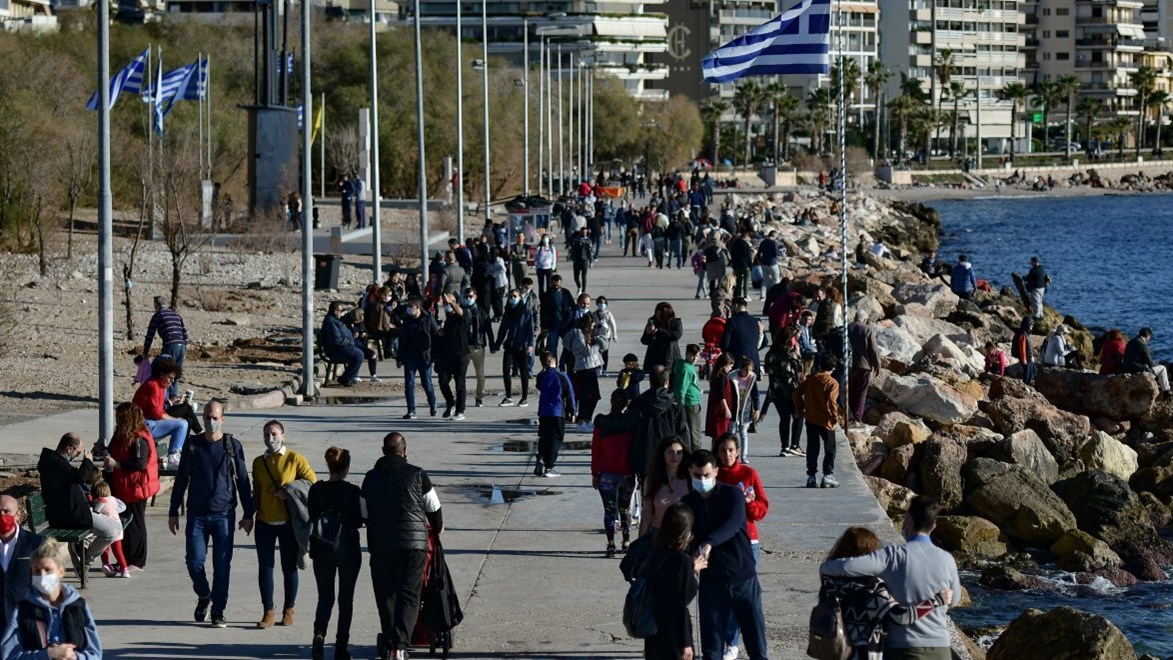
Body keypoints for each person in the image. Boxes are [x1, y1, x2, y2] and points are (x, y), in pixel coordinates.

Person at [819, 497, 962, 660]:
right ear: (933, 526)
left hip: (904, 649)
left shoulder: (893, 556)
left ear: (909, 520)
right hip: (941, 647)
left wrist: (825, 568)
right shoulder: (947, 559)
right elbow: (954, 601)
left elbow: (848, 567)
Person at [169, 400, 254, 629]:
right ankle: (204, 594)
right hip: (197, 515)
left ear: (222, 419)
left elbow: (243, 481)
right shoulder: (192, 445)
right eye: (207, 417)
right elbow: (181, 479)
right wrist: (173, 511)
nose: (210, 421)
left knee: (222, 566)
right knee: (194, 562)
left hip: (224, 515)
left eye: (215, 417)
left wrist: (248, 514)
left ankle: (218, 611)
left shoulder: (231, 446)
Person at [362, 432, 443, 660]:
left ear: (383, 451)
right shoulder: (418, 474)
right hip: (414, 546)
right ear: (405, 451)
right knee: (409, 595)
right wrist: (436, 528)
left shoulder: (370, 478)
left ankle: (390, 643)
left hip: (381, 545)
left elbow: (364, 513)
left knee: (386, 596)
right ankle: (400, 646)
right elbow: (434, 508)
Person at [682, 450, 767, 660]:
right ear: (690, 472)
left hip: (742, 577)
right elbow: (682, 536)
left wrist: (709, 543)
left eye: (706, 475)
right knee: (712, 646)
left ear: (716, 472)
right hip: (712, 581)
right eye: (697, 475)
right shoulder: (687, 503)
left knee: (755, 642)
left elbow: (733, 524)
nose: (702, 480)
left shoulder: (732, 494)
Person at [252, 420, 318, 630]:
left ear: (283, 435)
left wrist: (289, 490)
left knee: (289, 567)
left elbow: (312, 483)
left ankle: (289, 609)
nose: (270, 438)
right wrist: (247, 516)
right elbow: (256, 492)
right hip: (264, 521)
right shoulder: (258, 462)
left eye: (274, 433)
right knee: (265, 567)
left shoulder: (294, 458)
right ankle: (268, 611)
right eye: (266, 434)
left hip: (288, 522)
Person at [714, 433, 769, 660]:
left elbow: (762, 508)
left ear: (737, 451)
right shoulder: (713, 475)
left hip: (747, 541)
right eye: (723, 450)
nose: (727, 454)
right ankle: (724, 641)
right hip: (719, 542)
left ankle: (734, 642)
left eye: (730, 450)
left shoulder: (748, 474)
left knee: (744, 594)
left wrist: (749, 504)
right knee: (720, 595)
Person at [0, 539, 102, 660]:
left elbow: (95, 653)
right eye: (37, 571)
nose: (42, 576)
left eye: (47, 570)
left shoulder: (78, 606)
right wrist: (48, 654)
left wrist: (75, 657)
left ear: (61, 572)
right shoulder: (23, 609)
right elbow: (10, 656)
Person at [309, 447, 363, 660]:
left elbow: (312, 514)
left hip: (322, 548)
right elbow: (359, 520)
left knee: (325, 597)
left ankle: (319, 634)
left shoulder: (316, 489)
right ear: (346, 468)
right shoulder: (353, 491)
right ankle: (341, 646)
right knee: (345, 600)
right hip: (348, 549)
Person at [36, 434, 118, 572]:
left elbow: (74, 477)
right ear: (69, 448)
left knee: (116, 527)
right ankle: (86, 558)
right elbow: (80, 477)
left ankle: (83, 555)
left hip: (71, 511)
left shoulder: (53, 461)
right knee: (112, 532)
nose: (76, 456)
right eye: (78, 453)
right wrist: (88, 461)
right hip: (70, 516)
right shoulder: (56, 464)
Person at [99, 402, 159, 571]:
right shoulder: (121, 433)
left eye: (120, 417)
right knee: (124, 524)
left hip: (136, 486)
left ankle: (137, 561)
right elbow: (114, 451)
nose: (117, 420)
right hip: (123, 485)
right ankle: (124, 559)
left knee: (135, 523)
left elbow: (139, 463)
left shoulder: (140, 438)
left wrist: (116, 464)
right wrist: (103, 450)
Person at [642, 503, 704, 660]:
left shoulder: (656, 553)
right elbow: (679, 604)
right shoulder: (682, 561)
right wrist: (686, 642)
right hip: (674, 632)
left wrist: (691, 569)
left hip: (653, 626)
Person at [629, 367, 691, 503]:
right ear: (666, 381)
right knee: (670, 497)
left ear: (650, 381)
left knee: (647, 497)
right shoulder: (675, 403)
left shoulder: (638, 402)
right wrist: (686, 458)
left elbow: (630, 431)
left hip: (645, 457)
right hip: (670, 457)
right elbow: (683, 432)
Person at [591, 389, 635, 557]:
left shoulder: (601, 423)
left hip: (606, 474)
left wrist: (594, 473)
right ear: (626, 403)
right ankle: (626, 541)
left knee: (609, 510)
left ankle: (610, 544)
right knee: (625, 508)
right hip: (626, 473)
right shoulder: (631, 424)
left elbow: (596, 450)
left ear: (611, 402)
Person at [131, 356, 189, 467]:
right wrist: (174, 419)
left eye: (174, 378)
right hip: (143, 424)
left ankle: (177, 452)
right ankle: (173, 454)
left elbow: (160, 410)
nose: (172, 381)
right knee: (182, 424)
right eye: (170, 377)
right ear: (161, 374)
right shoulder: (153, 386)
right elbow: (157, 414)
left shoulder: (160, 386)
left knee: (184, 421)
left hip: (148, 421)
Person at [794, 355, 840, 489]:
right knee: (830, 448)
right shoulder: (832, 383)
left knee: (812, 448)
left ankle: (811, 477)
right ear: (833, 368)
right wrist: (834, 417)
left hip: (811, 419)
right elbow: (831, 402)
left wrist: (800, 409)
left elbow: (796, 394)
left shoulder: (810, 380)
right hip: (826, 421)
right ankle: (828, 475)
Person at [0, 495, 42, 632]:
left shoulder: (36, 544)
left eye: (7, 511)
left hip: (26, 622)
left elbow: (47, 587)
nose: (2, 515)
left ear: (17, 515)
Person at [639, 437, 692, 537]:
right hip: (658, 534)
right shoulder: (652, 480)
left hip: (683, 535)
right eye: (670, 452)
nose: (675, 457)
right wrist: (640, 540)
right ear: (663, 454)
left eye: (679, 453)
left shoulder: (690, 479)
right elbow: (647, 512)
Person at [764, 326, 804, 457]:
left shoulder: (771, 353)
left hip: (776, 391)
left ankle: (784, 447)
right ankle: (795, 445)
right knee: (798, 415)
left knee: (784, 418)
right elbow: (800, 370)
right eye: (795, 338)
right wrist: (798, 353)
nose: (796, 340)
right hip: (791, 391)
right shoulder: (791, 353)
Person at [397, 298, 440, 419]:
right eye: (408, 306)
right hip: (409, 356)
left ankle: (433, 403)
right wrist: (399, 358)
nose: (409, 309)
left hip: (425, 357)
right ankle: (411, 410)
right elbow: (402, 339)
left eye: (411, 306)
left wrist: (436, 355)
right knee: (409, 384)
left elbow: (436, 336)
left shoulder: (428, 319)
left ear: (418, 307)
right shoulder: (407, 320)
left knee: (426, 383)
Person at [536, 352, 576, 477]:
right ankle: (549, 467)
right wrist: (572, 411)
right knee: (556, 439)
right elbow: (570, 394)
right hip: (557, 412)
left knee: (544, 437)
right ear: (555, 360)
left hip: (544, 412)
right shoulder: (561, 376)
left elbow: (539, 386)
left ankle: (541, 457)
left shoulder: (541, 376)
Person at [565, 315, 607, 431]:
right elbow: (587, 351)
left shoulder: (590, 335)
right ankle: (581, 421)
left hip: (592, 367)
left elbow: (604, 347)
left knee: (595, 396)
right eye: (591, 326)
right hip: (583, 369)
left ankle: (587, 419)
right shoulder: (578, 335)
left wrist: (601, 335)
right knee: (585, 396)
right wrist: (597, 345)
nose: (593, 328)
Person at [143, 295, 190, 400]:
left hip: (170, 345)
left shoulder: (157, 316)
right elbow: (185, 334)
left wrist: (145, 352)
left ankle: (165, 398)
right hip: (182, 346)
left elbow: (150, 335)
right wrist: (184, 349)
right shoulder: (176, 315)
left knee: (165, 371)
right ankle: (173, 396)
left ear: (155, 305)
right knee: (175, 372)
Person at [495, 289, 536, 406]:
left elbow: (530, 329)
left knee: (523, 372)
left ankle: (524, 397)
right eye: (510, 297)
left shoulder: (526, 311)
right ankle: (508, 397)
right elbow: (503, 330)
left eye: (514, 296)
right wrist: (497, 345)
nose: (512, 298)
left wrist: (530, 345)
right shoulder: (508, 311)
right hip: (510, 345)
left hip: (522, 346)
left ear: (519, 297)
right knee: (506, 370)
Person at [435, 293, 470, 421]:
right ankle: (451, 403)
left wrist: (451, 302)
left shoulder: (463, 314)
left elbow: (460, 312)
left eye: (450, 302)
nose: (447, 305)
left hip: (461, 356)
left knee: (460, 384)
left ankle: (460, 411)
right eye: (445, 303)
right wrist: (441, 333)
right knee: (443, 381)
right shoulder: (448, 319)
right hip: (447, 356)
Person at [321, 301, 365, 387]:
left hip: (342, 347)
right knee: (358, 355)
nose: (342, 313)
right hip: (335, 350)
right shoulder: (331, 322)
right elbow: (336, 340)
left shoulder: (335, 320)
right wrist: (348, 340)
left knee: (359, 352)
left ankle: (348, 378)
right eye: (341, 311)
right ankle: (345, 379)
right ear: (335, 311)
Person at [847, 312, 881, 424]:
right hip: (864, 366)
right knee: (861, 392)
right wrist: (877, 366)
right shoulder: (867, 329)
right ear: (865, 319)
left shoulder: (847, 327)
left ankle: (850, 414)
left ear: (855, 318)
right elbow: (874, 350)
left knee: (851, 391)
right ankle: (857, 419)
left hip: (849, 365)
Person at [89, 481, 128, 578]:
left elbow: (96, 513)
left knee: (104, 548)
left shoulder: (98, 502)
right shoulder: (113, 500)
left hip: (107, 530)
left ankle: (106, 564)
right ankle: (124, 569)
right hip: (118, 528)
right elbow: (123, 507)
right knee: (118, 551)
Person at [672, 344, 704, 452]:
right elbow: (682, 388)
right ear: (686, 354)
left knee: (692, 432)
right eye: (692, 355)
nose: (695, 358)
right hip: (691, 404)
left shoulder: (684, 365)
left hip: (691, 402)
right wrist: (680, 404)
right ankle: (697, 456)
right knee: (695, 435)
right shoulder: (687, 368)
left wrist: (698, 390)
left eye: (697, 356)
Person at [1124, 327, 1172, 397]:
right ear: (1148, 336)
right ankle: (1166, 391)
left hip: (1126, 368)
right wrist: (1156, 364)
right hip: (1137, 370)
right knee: (1162, 368)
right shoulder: (1143, 344)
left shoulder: (1130, 342)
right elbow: (1151, 364)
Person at [640, 302, 684, 372]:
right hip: (655, 358)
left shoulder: (675, 322)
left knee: (671, 376)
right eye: (657, 313)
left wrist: (659, 330)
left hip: (671, 356)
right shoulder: (653, 322)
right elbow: (644, 341)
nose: (658, 316)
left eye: (660, 314)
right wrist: (648, 333)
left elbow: (676, 335)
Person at [729, 357, 759, 459]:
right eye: (746, 370)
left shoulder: (752, 378)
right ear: (741, 368)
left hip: (746, 410)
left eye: (750, 370)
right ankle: (733, 454)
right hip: (734, 409)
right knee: (732, 432)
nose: (748, 373)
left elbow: (755, 394)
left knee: (743, 433)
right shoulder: (732, 377)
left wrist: (757, 409)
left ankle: (744, 455)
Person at [540, 274, 575, 358]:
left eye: (558, 285)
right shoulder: (546, 295)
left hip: (565, 325)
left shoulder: (566, 293)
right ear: (551, 283)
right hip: (552, 326)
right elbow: (543, 312)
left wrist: (570, 318)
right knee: (552, 348)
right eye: (555, 285)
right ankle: (554, 363)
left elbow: (573, 306)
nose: (556, 287)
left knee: (569, 346)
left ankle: (565, 363)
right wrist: (543, 326)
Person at [705, 353, 736, 445]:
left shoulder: (717, 375)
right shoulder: (721, 377)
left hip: (716, 410)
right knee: (719, 435)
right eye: (730, 366)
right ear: (725, 365)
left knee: (717, 436)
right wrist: (726, 409)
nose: (731, 368)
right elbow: (721, 395)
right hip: (720, 411)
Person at [593, 296, 618, 373]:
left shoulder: (608, 314)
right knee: (596, 352)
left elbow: (613, 324)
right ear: (597, 303)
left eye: (604, 303)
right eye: (600, 302)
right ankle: (597, 368)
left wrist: (614, 335)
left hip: (606, 336)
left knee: (605, 353)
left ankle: (604, 369)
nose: (602, 304)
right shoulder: (594, 314)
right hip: (597, 336)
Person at [1011, 316, 1037, 386]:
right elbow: (1022, 347)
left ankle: (1029, 382)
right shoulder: (1023, 334)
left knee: (1034, 370)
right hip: (1026, 358)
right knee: (1027, 373)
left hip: (1028, 356)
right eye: (1031, 325)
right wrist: (1024, 359)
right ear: (1027, 325)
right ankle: (1026, 385)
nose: (1032, 327)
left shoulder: (1025, 332)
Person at [756, 231, 781, 301]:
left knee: (765, 280)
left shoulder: (763, 242)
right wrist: (781, 254)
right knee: (776, 280)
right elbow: (776, 253)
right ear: (774, 235)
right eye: (776, 236)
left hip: (764, 263)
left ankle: (762, 296)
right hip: (772, 263)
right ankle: (775, 296)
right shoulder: (774, 243)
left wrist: (760, 261)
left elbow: (758, 253)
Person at [569, 227, 594, 293]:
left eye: (585, 232)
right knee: (576, 277)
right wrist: (572, 256)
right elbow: (572, 249)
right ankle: (579, 286)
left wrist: (591, 261)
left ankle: (583, 291)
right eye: (583, 232)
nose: (584, 233)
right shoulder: (576, 239)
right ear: (580, 232)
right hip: (577, 260)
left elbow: (590, 251)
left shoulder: (588, 240)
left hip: (585, 260)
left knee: (584, 276)